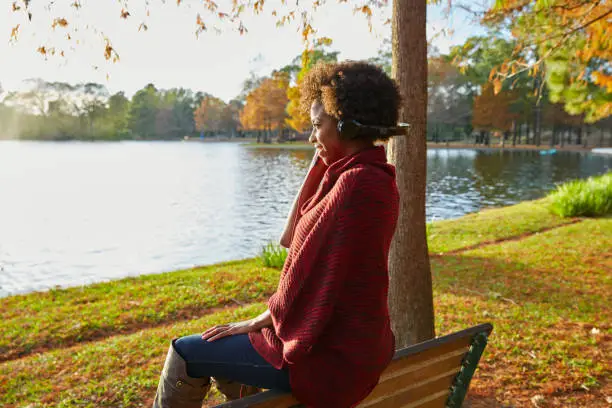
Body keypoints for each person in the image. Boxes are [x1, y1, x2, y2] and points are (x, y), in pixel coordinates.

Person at [152, 61, 402, 408]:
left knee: (185, 352)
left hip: (329, 357)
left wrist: (259, 320)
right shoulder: (374, 176)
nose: (312, 136)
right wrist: (323, 155)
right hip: (357, 345)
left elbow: (305, 279)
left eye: (317, 126)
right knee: (232, 347)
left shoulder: (355, 184)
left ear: (346, 124)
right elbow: (293, 234)